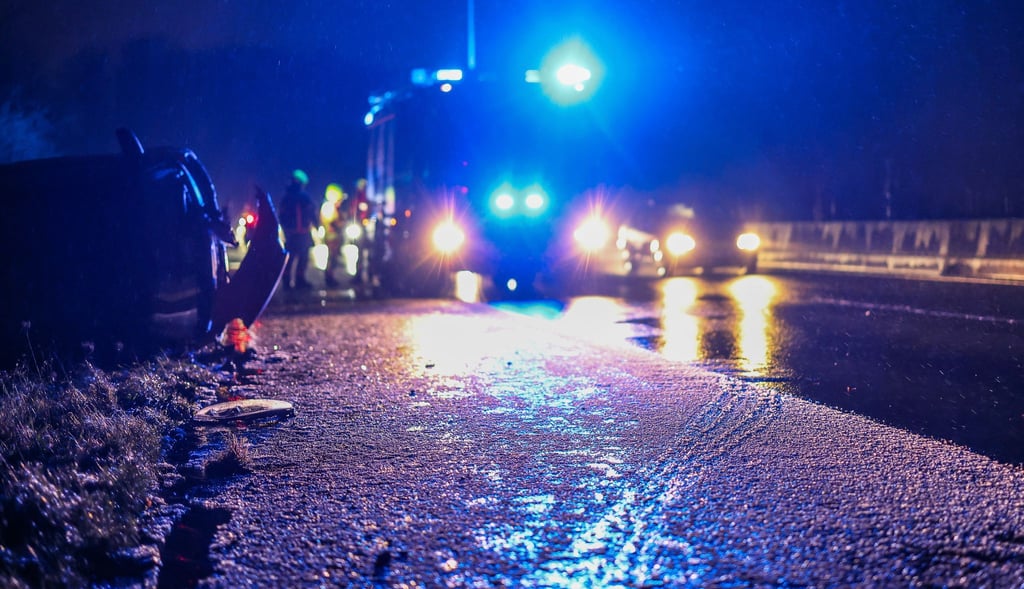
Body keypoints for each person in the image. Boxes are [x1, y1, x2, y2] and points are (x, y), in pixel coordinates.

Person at [278, 169, 317, 289]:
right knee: (297, 258)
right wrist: (316, 224)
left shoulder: (288, 197)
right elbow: (312, 212)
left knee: (299, 258)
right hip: (298, 233)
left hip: (297, 233)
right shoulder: (302, 197)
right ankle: (294, 281)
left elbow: (282, 216)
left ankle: (293, 281)